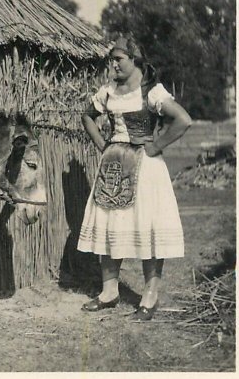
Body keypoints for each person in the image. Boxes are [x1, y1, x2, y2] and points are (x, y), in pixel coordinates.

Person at [78, 35, 192, 320]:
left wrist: (155, 145)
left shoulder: (151, 92)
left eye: (118, 59)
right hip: (113, 167)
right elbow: (87, 116)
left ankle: (150, 297)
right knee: (109, 224)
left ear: (135, 60)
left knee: (147, 228)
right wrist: (104, 145)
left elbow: (183, 120)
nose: (113, 64)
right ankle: (109, 292)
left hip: (146, 168)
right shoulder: (108, 92)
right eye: (111, 59)